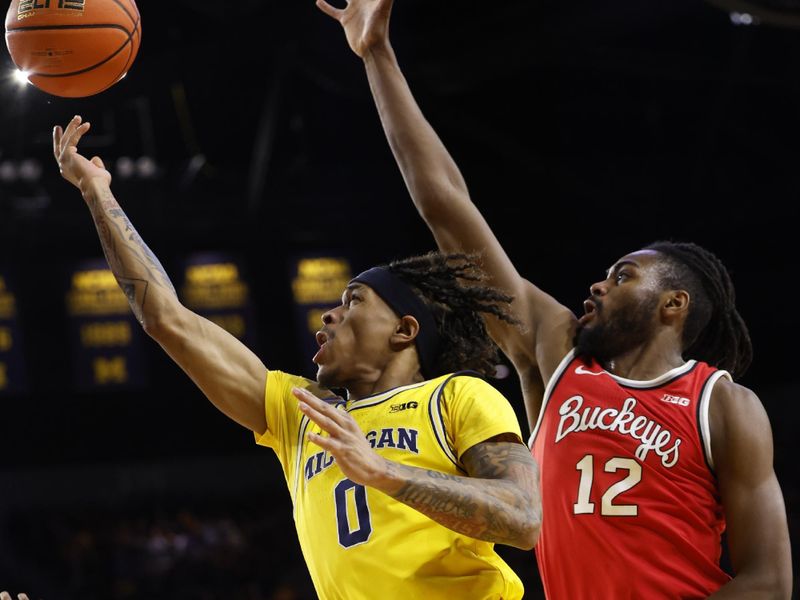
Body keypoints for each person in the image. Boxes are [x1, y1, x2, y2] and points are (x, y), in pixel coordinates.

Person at [317, 0, 794, 598]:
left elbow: (769, 581)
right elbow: (445, 203)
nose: (598, 284)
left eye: (623, 277)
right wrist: (377, 56)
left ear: (675, 305)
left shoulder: (722, 405)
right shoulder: (557, 353)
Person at [52, 116, 541, 599]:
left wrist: (385, 472)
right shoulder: (302, 411)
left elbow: (522, 517)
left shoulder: (455, 396)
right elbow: (165, 318)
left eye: (353, 301)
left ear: (404, 329)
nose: (327, 317)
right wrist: (97, 192)